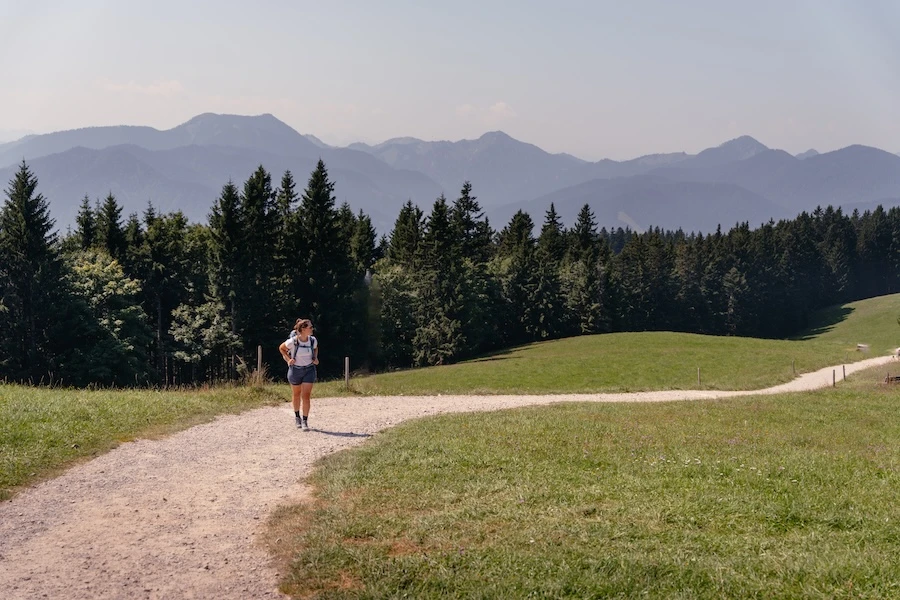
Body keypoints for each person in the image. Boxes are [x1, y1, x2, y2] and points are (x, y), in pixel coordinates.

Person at [279, 319, 319, 430]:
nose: (312, 329)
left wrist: (315, 358)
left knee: (306, 396)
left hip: (309, 369)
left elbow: (315, 349)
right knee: (296, 394)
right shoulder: (293, 341)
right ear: (303, 329)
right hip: (295, 370)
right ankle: (297, 417)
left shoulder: (313, 340)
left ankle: (305, 420)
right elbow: (281, 348)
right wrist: (288, 359)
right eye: (310, 327)